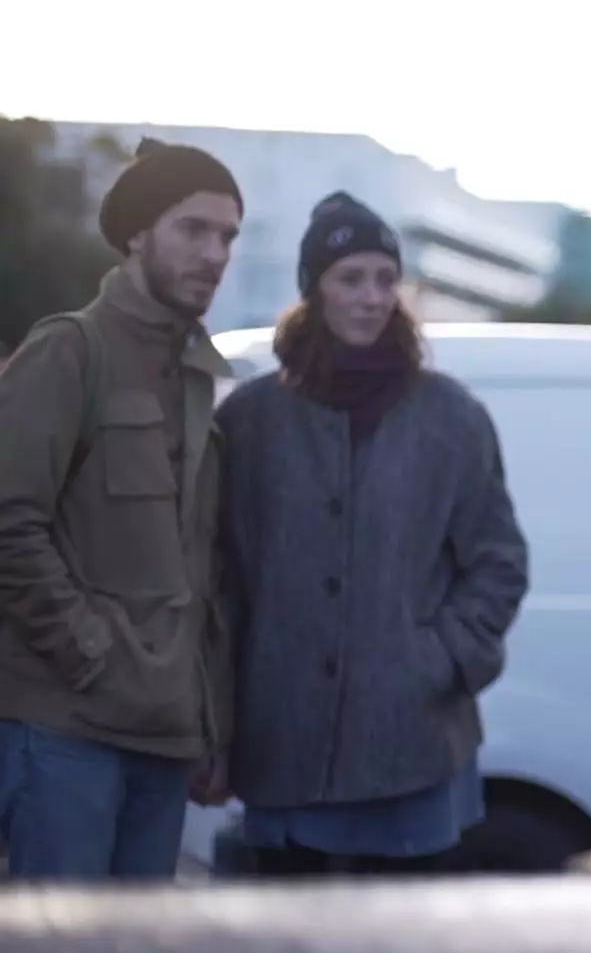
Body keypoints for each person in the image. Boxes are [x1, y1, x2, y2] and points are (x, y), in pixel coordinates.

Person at [215, 192, 530, 876]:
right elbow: (223, 576)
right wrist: (221, 710)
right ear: (313, 290)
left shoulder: (450, 416)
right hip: (282, 742)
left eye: (386, 278)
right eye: (350, 278)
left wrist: (439, 659)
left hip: (410, 745)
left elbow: (499, 562)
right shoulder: (251, 421)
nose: (372, 297)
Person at [0, 138, 243, 878]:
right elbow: (8, 521)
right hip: (66, 730)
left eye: (228, 236)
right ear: (138, 232)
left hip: (163, 739)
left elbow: (198, 572)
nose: (214, 253)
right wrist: (88, 651)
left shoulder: (201, 377)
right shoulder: (70, 351)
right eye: (193, 229)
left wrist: (209, 722)